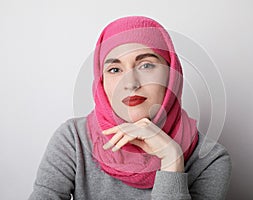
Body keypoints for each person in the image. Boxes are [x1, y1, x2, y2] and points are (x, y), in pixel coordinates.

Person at [29, 16, 232, 200]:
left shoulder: (209, 159)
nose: (131, 83)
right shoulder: (73, 139)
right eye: (115, 69)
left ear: (171, 75)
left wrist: (172, 160)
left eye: (146, 65)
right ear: (101, 82)